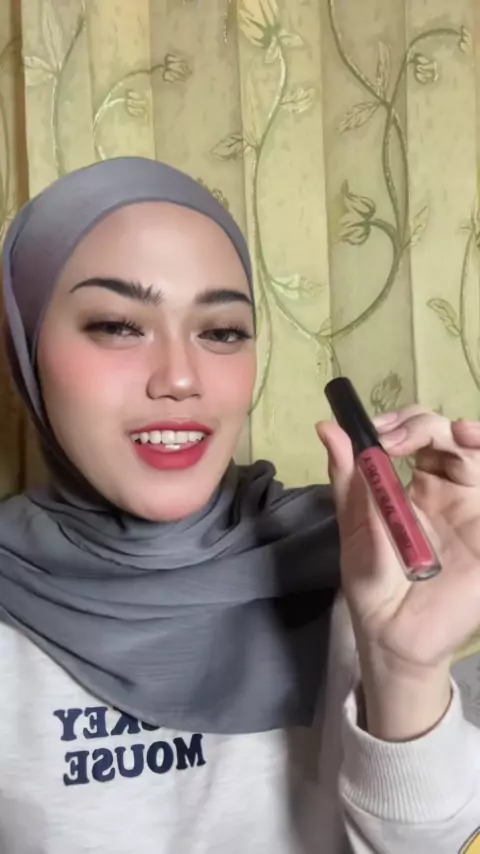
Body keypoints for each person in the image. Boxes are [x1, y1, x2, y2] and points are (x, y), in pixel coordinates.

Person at [0, 156, 479, 854]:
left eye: (222, 332)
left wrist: (404, 668)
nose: (180, 378)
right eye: (118, 325)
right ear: (24, 350)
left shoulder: (360, 560)